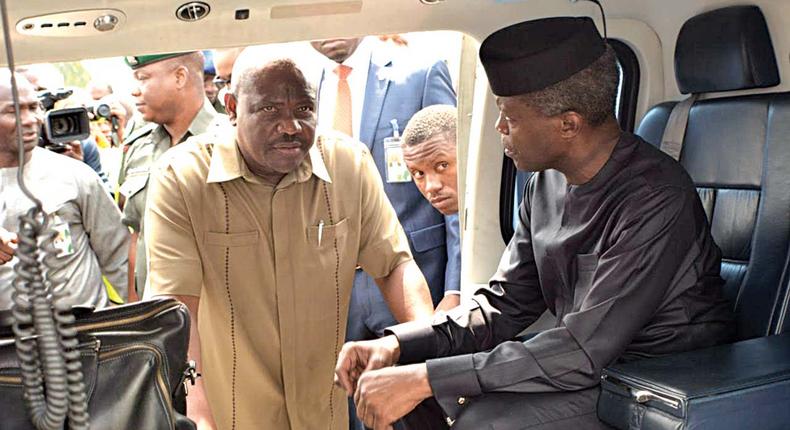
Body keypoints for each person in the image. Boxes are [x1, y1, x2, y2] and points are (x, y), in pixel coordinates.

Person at [334, 17, 735, 430]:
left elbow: (583, 349)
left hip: (656, 375)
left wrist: (424, 378)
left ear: (568, 124)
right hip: (587, 361)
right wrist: (399, 344)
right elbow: (503, 305)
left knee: (480, 421)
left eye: (510, 116)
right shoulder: (545, 183)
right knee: (404, 389)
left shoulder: (653, 196)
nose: (499, 128)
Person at [143, 47, 435, 430]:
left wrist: (429, 354)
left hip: (325, 413)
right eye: (269, 110)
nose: (290, 127)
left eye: (303, 109)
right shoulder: (181, 179)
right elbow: (176, 309)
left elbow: (394, 264)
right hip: (229, 416)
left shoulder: (349, 164)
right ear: (231, 107)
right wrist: (198, 416)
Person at [311, 36, 460, 336]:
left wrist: (455, 289)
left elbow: (455, 185)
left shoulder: (420, 73)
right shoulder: (303, 92)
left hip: (419, 281)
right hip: (336, 299)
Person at [0, 71, 129, 310]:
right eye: (14, 111)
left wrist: (128, 319)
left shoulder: (75, 174)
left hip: (81, 335)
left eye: (34, 107)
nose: (30, 119)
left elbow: (119, 255)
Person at [119, 51, 226, 300]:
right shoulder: (139, 146)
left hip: (215, 312)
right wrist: (136, 312)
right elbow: (137, 234)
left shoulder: (229, 143)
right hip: (157, 314)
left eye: (142, 78)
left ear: (179, 77)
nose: (135, 91)